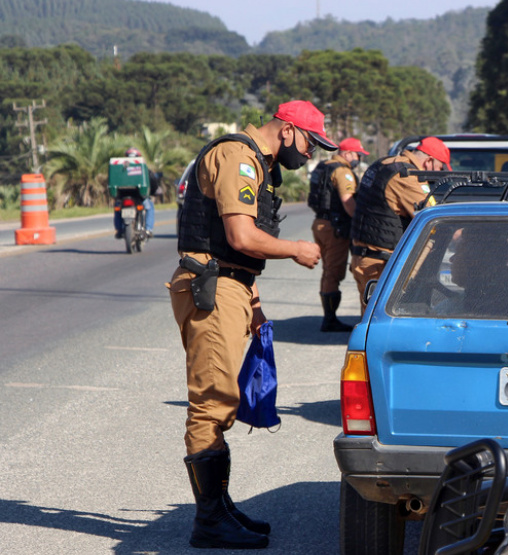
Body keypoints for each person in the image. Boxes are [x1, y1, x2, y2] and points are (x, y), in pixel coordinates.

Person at [167, 100, 335, 549]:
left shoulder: (256, 163)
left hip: (231, 284)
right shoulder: (239, 157)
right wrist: (296, 248)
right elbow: (241, 236)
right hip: (212, 286)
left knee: (223, 398)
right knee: (212, 401)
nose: (311, 154)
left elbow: (236, 251)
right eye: (310, 142)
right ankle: (209, 521)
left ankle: (219, 507)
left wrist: (254, 304)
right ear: (287, 130)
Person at [349, 136, 450, 313]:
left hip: (365, 256)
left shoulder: (383, 163)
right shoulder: (406, 176)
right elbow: (434, 217)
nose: (439, 173)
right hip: (382, 264)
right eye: (440, 167)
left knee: (371, 318)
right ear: (429, 161)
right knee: (383, 323)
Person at [308, 137, 368, 332]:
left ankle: (329, 317)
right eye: (357, 154)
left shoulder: (322, 166)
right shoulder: (342, 171)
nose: (358, 158)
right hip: (335, 227)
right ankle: (330, 320)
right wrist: (362, 222)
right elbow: (348, 201)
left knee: (328, 271)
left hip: (320, 223)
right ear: (348, 153)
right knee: (334, 272)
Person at [114, 147, 157, 239]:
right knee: (149, 208)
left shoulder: (119, 169)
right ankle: (148, 229)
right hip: (139, 196)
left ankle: (119, 230)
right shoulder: (143, 168)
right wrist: (153, 192)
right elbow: (152, 181)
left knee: (117, 208)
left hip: (122, 196)